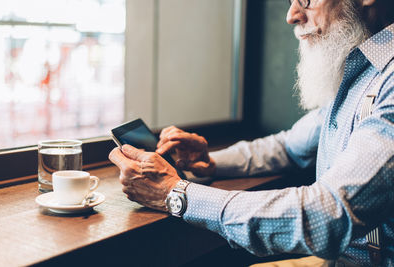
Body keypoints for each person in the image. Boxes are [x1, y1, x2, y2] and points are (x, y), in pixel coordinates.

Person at [109, 0, 394, 266]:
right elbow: (290, 146)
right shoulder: (363, 73)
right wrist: (210, 162)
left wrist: (175, 193)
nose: (291, 14)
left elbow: (327, 215)